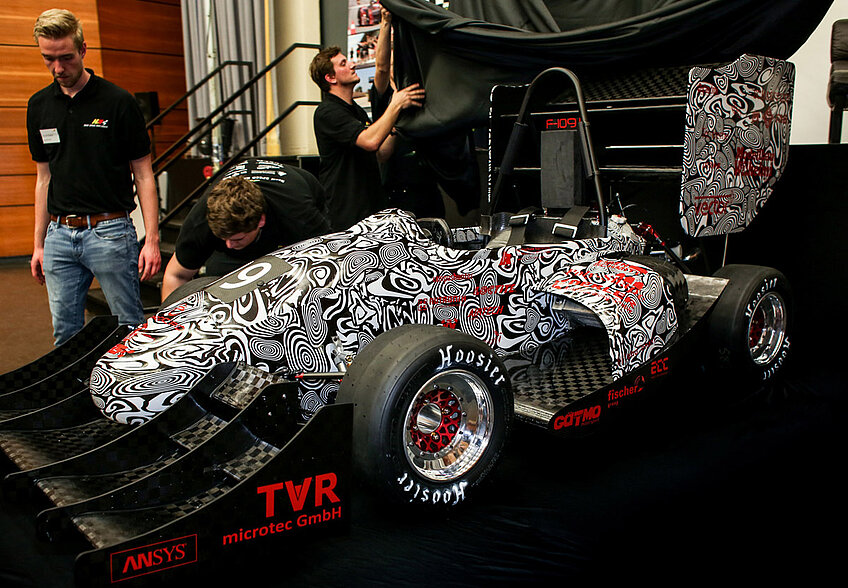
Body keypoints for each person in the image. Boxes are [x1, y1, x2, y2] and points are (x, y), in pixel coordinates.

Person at [27, 9, 161, 346]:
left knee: (128, 328)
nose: (58, 68)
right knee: (65, 334)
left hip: (111, 233)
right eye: (49, 59)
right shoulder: (39, 105)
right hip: (58, 234)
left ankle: (132, 395)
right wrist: (39, 243)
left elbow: (144, 175)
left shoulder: (118, 102)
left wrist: (153, 240)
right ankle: (76, 399)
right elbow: (43, 178)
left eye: (66, 58)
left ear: (83, 50)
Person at [161, 158, 330, 301]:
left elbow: (329, 266)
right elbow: (176, 276)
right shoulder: (200, 221)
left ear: (261, 221)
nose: (228, 244)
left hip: (295, 206)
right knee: (223, 291)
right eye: (223, 238)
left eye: (237, 239)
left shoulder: (299, 215)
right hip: (245, 235)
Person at [309, 43, 425, 231]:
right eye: (343, 63)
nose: (352, 65)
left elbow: (381, 153)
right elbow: (370, 141)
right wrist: (395, 105)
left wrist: (396, 124)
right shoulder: (327, 112)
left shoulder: (356, 111)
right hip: (347, 213)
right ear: (330, 78)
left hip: (371, 209)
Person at [369, 8, 445, 219]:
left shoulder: (420, 91)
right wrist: (385, 22)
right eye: (394, 64)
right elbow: (381, 68)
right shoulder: (384, 95)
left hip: (428, 187)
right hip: (398, 190)